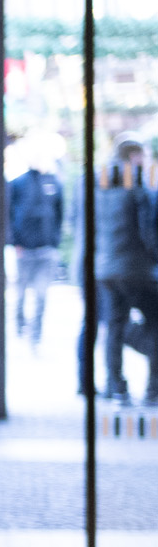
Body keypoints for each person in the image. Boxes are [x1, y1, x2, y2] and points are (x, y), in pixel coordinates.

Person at [94, 139, 158, 402]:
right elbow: (148, 233)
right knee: (154, 323)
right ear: (134, 157)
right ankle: (154, 388)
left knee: (115, 327)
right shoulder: (138, 190)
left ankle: (116, 386)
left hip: (107, 269)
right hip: (138, 270)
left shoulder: (101, 188)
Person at [7, 151, 65, 348]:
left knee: (41, 295)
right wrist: (15, 242)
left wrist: (54, 242)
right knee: (20, 293)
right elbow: (9, 213)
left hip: (46, 248)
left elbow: (59, 213)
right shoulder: (18, 183)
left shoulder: (54, 183)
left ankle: (35, 334)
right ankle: (20, 326)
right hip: (24, 249)